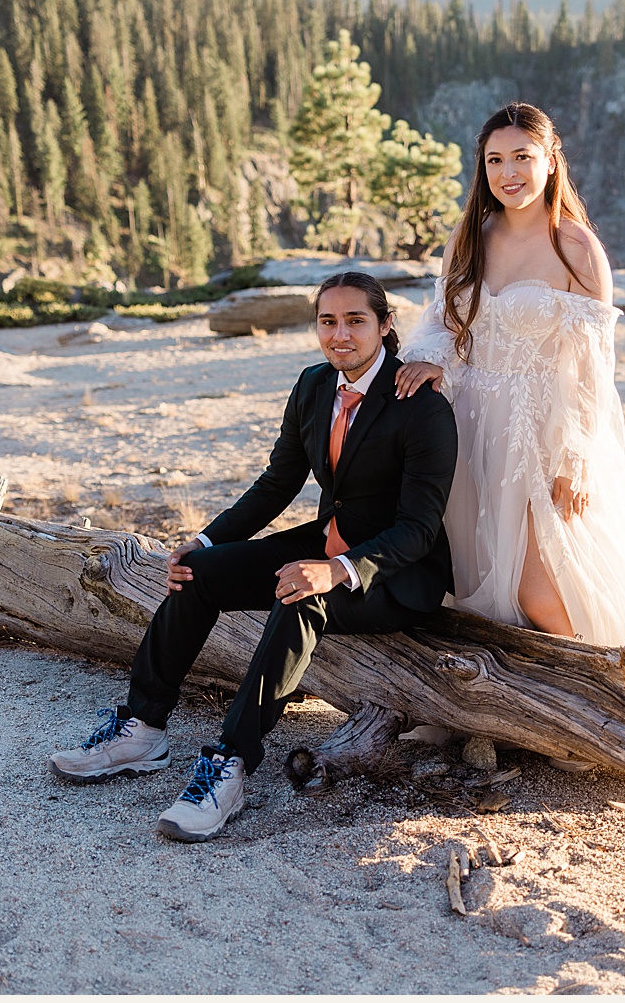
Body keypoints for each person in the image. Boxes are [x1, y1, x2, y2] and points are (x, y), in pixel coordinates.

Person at [46, 271, 459, 842]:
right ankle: (142, 728)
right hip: (323, 543)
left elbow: (418, 528)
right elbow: (276, 485)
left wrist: (336, 570)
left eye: (356, 321)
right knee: (198, 575)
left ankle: (230, 765)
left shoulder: (422, 407)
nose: (340, 335)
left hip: (395, 574)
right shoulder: (314, 386)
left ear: (386, 327)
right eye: (327, 321)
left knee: (300, 599)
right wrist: (208, 540)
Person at [390, 102, 625, 692]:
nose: (508, 173)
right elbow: (444, 323)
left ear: (550, 161)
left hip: (539, 431)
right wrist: (427, 360)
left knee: (538, 587)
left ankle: (606, 693)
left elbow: (594, 369)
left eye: (522, 157)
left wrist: (576, 456)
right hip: (469, 425)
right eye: (494, 160)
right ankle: (517, 700)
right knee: (469, 574)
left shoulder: (575, 246)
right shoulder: (471, 237)